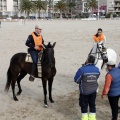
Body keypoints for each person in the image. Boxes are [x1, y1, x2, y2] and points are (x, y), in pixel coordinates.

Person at [74, 55, 100, 120]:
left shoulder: (82, 69)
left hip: (84, 91)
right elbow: (97, 77)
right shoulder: (97, 69)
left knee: (84, 106)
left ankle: (84, 118)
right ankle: (92, 118)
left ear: (87, 60)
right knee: (92, 105)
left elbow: (76, 80)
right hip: (93, 90)